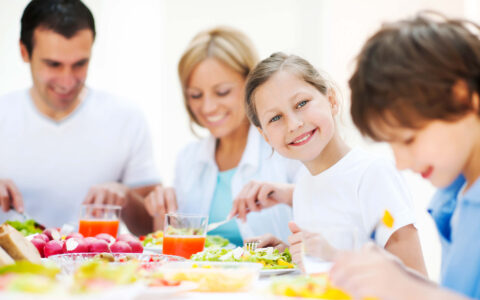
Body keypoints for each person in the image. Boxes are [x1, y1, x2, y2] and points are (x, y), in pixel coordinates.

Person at [328, 12, 480, 300]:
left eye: (408, 139)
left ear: (462, 98)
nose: (401, 163)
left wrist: (408, 290)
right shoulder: (456, 193)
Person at [241, 52, 427, 274]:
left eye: (301, 103)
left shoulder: (373, 174)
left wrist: (332, 257)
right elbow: (325, 274)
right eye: (275, 118)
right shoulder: (304, 184)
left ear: (331, 101)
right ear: (266, 136)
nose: (294, 124)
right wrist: (289, 258)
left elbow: (415, 278)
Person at [0, 0, 160, 235]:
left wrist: (125, 197)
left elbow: (151, 229)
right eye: (53, 64)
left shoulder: (126, 119)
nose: (67, 81)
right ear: (24, 52)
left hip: (98, 268)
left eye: (80, 64)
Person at [144, 27, 301, 245]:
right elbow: (171, 250)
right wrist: (162, 214)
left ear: (251, 84)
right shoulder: (187, 159)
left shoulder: (290, 148)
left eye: (222, 92)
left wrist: (290, 195)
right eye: (195, 95)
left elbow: (326, 218)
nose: (208, 107)